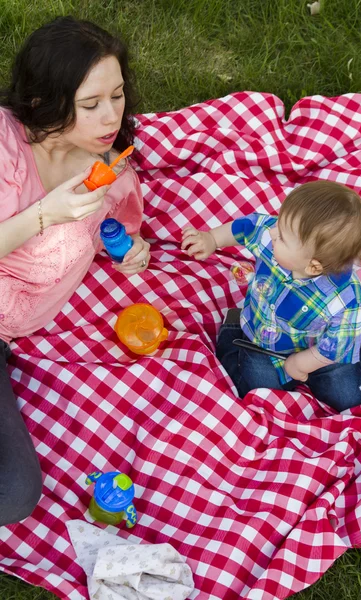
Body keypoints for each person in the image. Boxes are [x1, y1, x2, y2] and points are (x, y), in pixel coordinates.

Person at [0, 16, 150, 526]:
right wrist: (45, 214)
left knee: (14, 495)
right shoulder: (5, 148)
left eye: (118, 96)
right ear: (45, 103)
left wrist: (133, 250)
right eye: (90, 105)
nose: (111, 117)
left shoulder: (108, 169)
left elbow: (124, 230)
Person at [182, 181, 361, 411]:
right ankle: (233, 331)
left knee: (349, 396)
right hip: (262, 341)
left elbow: (333, 348)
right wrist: (212, 239)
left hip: (317, 349)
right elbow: (248, 226)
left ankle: (356, 350)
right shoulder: (271, 237)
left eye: (283, 236)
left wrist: (301, 363)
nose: (273, 231)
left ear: (314, 267)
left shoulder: (346, 300)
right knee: (257, 390)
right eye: (279, 223)